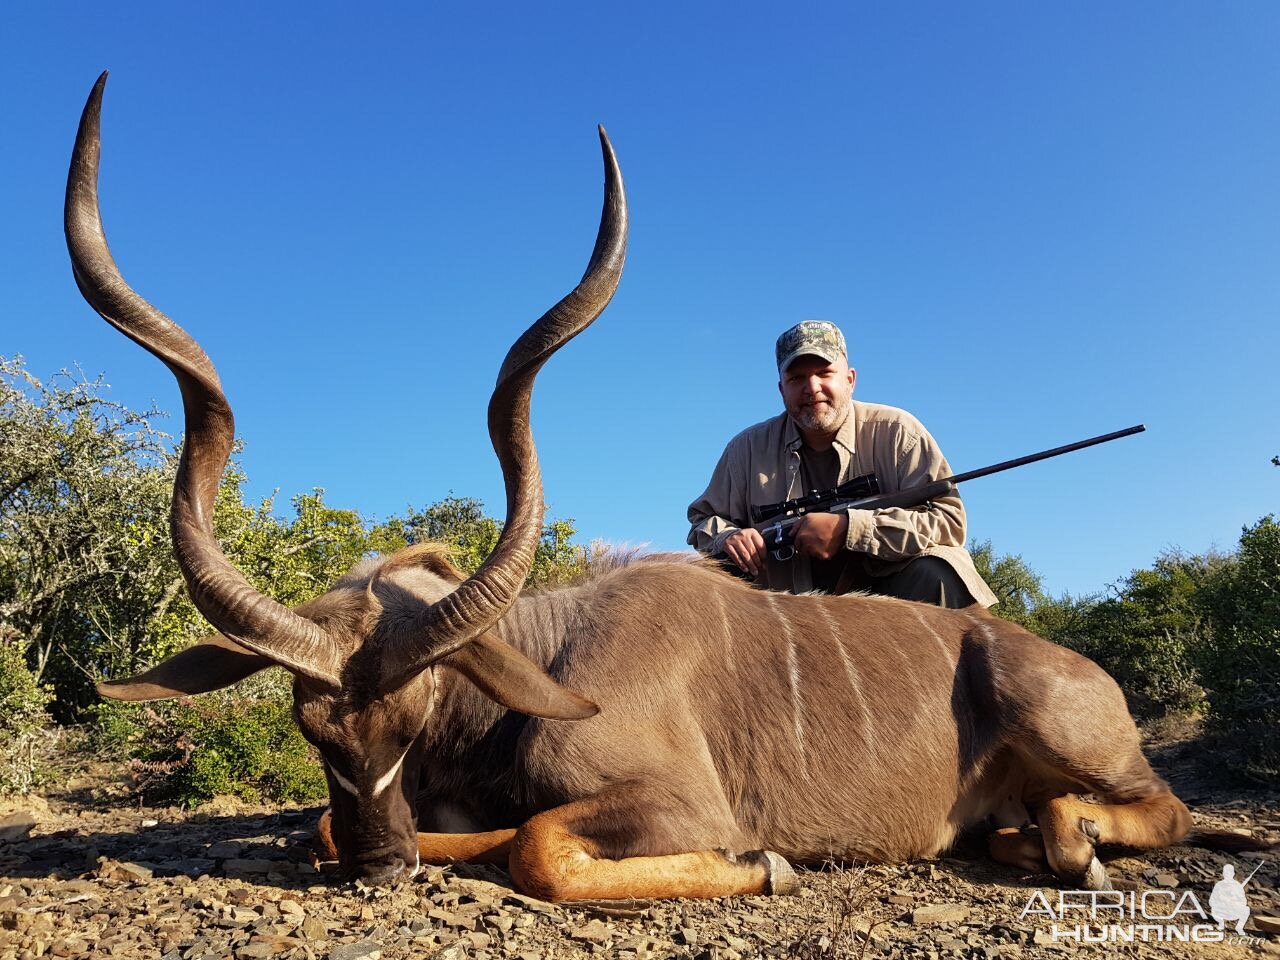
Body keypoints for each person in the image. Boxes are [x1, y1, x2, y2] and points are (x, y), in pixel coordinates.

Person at [687, 320, 996, 608]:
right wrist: (728, 537)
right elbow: (703, 520)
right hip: (787, 611)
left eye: (824, 373)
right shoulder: (746, 450)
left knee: (937, 572)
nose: (811, 388)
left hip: (892, 598)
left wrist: (850, 528)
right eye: (797, 378)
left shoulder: (898, 432)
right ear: (782, 389)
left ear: (850, 380)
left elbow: (948, 521)